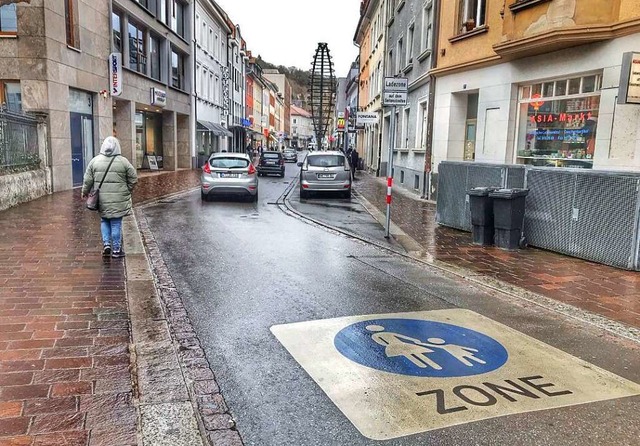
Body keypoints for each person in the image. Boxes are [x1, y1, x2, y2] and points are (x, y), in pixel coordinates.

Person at [81, 136, 137, 258]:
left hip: (102, 199)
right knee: (116, 223)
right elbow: (133, 178)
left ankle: (106, 245)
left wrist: (84, 192)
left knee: (104, 220)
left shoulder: (95, 161)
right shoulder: (123, 161)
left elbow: (87, 180)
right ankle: (116, 250)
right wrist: (128, 189)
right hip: (119, 199)